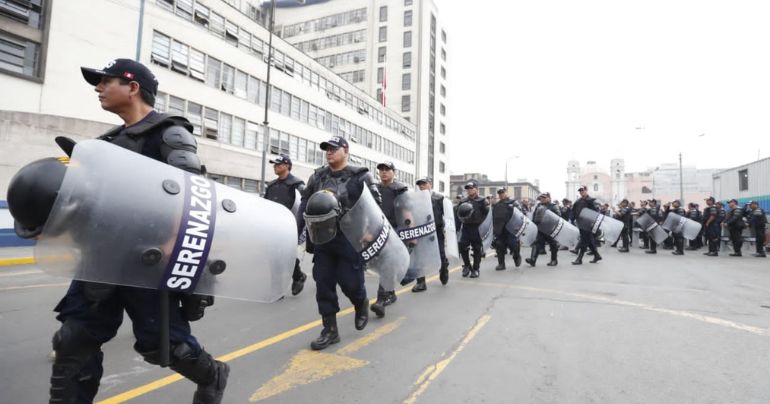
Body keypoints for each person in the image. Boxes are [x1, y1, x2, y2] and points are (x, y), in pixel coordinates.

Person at [29, 59, 228, 403]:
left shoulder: (170, 132)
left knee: (165, 345)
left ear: (133, 87)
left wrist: (171, 245)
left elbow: (193, 193)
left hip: (148, 259)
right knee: (74, 339)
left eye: (106, 81)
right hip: (102, 256)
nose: (98, 87)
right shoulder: (106, 142)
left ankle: (212, 374)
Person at [264, 154, 307, 296]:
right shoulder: (271, 186)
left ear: (287, 165)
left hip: (291, 226)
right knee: (273, 258)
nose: (275, 166)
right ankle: (277, 289)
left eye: (278, 164)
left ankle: (298, 276)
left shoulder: (297, 184)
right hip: (273, 226)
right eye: (274, 165)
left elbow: (305, 204)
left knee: (287, 256)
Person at [370, 161, 408, 317]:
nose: (384, 172)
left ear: (394, 172)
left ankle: (380, 300)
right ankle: (390, 293)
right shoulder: (374, 189)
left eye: (387, 169)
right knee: (380, 265)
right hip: (376, 230)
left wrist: (407, 232)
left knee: (387, 264)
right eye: (381, 170)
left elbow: (407, 212)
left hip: (394, 232)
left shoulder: (400, 190)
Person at [412, 177, 450, 290]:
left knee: (440, 254)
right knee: (419, 257)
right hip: (422, 231)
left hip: (436, 232)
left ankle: (444, 269)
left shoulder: (439, 198)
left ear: (430, 184)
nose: (421, 186)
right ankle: (421, 283)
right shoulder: (416, 200)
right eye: (419, 184)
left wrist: (449, 230)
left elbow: (448, 216)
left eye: (424, 183)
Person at [456, 180, 489, 278]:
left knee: (477, 249)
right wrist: (456, 228)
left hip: (478, 228)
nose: (469, 190)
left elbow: (488, 215)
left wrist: (486, 229)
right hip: (466, 227)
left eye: (471, 188)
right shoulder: (463, 201)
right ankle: (466, 265)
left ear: (476, 189)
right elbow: (458, 215)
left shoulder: (482, 201)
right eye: (467, 189)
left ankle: (475, 269)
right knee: (462, 246)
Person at [491, 188, 522, 270]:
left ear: (506, 193)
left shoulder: (513, 203)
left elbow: (520, 215)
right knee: (499, 245)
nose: (501, 195)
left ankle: (517, 257)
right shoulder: (497, 205)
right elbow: (493, 217)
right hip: (500, 229)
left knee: (513, 245)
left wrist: (518, 226)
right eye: (500, 193)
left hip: (511, 229)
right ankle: (501, 264)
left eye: (503, 193)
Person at [526, 192, 560, 267]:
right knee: (536, 243)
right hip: (540, 229)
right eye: (541, 197)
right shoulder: (538, 206)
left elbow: (558, 217)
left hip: (550, 229)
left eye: (544, 197)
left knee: (553, 244)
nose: (542, 199)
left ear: (549, 198)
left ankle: (554, 260)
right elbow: (535, 216)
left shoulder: (553, 206)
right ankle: (533, 260)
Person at [571, 186, 602, 265]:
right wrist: (572, 220)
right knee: (589, 241)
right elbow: (574, 211)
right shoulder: (578, 201)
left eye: (583, 190)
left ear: (586, 190)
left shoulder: (591, 201)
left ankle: (579, 258)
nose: (581, 192)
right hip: (580, 224)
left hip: (588, 225)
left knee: (584, 240)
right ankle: (597, 255)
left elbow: (596, 213)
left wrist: (593, 223)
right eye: (580, 191)